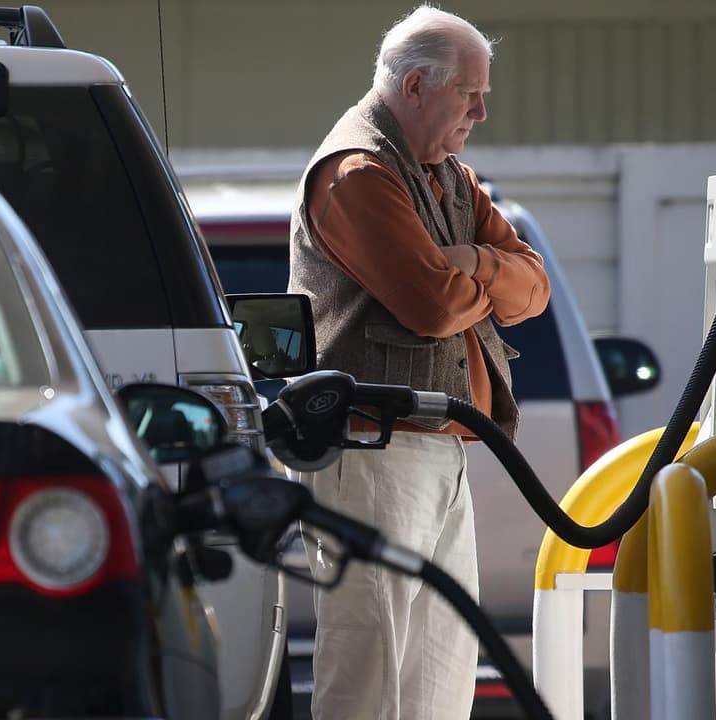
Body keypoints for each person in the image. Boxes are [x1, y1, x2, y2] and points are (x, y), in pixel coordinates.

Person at [286, 5, 551, 719]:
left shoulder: (450, 177)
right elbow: (431, 307)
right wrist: (484, 276)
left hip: (433, 447)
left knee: (439, 668)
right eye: (470, 93)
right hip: (372, 451)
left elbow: (536, 289)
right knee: (369, 662)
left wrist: (473, 264)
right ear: (414, 87)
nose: (482, 112)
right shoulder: (356, 173)